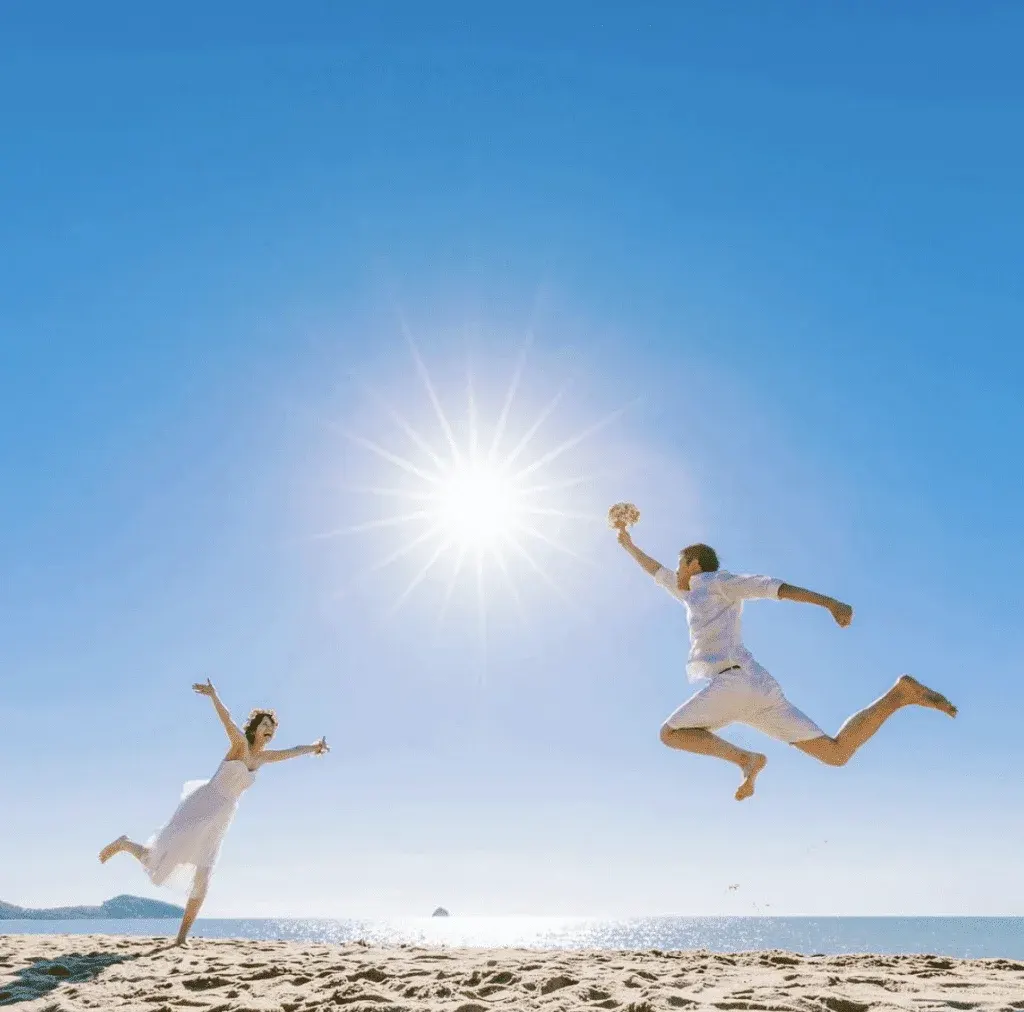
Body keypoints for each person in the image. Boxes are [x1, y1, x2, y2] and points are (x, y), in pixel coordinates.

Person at [616, 527, 956, 801]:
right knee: (835, 754)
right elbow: (657, 573)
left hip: (734, 683)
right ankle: (900, 694)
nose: (675, 572)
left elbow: (771, 587)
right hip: (756, 691)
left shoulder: (718, 583)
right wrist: (628, 544)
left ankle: (746, 760)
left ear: (693, 564)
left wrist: (830, 603)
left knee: (670, 734)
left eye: (679, 565)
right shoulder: (692, 598)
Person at [99, 679, 329, 945]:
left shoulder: (262, 758)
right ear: (255, 728)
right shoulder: (239, 746)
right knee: (161, 860)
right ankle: (126, 844)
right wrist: (214, 696)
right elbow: (228, 722)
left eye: (273, 727)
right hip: (203, 805)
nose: (269, 730)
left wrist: (314, 747)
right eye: (265, 725)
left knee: (204, 876)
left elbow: (293, 751)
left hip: (222, 817)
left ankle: (181, 938)